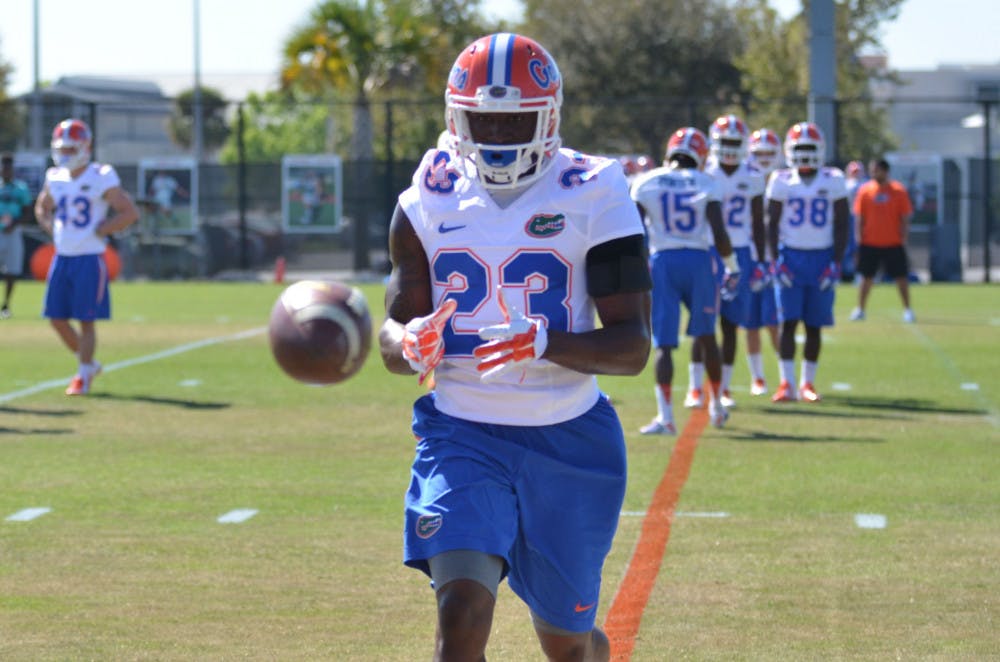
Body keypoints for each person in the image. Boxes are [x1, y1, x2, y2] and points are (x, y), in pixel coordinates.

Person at [377, 33, 651, 662]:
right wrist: (410, 340)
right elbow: (393, 334)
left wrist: (548, 342)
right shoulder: (425, 197)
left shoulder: (595, 190)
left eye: (514, 119)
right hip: (462, 431)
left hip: (570, 440)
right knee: (462, 612)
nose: (498, 134)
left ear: (548, 118)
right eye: (484, 118)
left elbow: (633, 346)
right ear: (456, 118)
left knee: (567, 643)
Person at [633, 126, 736, 434]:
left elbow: (634, 232)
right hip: (698, 261)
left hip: (662, 261)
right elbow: (719, 233)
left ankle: (666, 417)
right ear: (701, 155)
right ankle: (717, 405)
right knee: (707, 337)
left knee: (663, 343)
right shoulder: (707, 182)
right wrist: (732, 265)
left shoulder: (646, 181)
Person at [34, 118, 140, 395]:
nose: (65, 154)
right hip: (62, 256)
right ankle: (89, 362)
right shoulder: (54, 176)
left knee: (86, 319)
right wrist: (50, 226)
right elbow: (42, 207)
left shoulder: (101, 175)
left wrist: (104, 228)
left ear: (84, 148)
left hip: (89, 257)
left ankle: (83, 375)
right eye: (62, 149)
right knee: (56, 319)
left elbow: (129, 212)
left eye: (71, 149)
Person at [767, 122, 849, 403]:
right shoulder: (780, 180)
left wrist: (836, 262)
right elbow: (771, 224)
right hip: (790, 256)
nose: (804, 154)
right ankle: (786, 384)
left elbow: (842, 223)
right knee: (787, 323)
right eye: (799, 148)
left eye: (809, 148)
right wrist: (775, 260)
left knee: (814, 325)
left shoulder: (833, 178)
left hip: (821, 256)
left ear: (820, 150)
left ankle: (807, 384)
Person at [691, 114, 766, 410]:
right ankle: (696, 388)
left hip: (742, 251)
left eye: (736, 142)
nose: (731, 148)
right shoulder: (702, 172)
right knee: (702, 322)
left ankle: (723, 388)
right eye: (726, 142)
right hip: (707, 250)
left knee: (731, 324)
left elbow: (759, 223)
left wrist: (760, 261)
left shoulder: (755, 176)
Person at [850, 157, 915, 323]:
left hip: (893, 242)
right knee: (866, 278)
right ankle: (860, 309)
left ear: (885, 171)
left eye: (876, 169)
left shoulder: (898, 191)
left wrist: (904, 237)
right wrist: (859, 238)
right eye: (872, 170)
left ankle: (908, 310)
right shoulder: (865, 191)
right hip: (870, 242)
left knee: (901, 277)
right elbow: (859, 217)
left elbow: (905, 216)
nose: (873, 173)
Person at [743, 128, 783, 395]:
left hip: (776, 259)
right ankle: (757, 376)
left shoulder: (784, 180)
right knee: (751, 321)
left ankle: (785, 375)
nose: (765, 158)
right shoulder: (743, 179)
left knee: (774, 321)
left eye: (770, 153)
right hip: (749, 256)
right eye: (760, 153)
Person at [0, 153, 33, 318]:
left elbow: (28, 212)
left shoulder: (20, 188)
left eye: (8, 167)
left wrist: (14, 224)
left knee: (12, 270)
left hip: (13, 232)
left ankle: (5, 305)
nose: (5, 170)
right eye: (3, 167)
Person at [841, 160, 868, 283]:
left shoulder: (866, 185)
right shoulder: (845, 184)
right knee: (846, 247)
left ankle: (859, 273)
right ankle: (844, 273)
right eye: (854, 171)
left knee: (860, 248)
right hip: (848, 218)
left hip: (862, 218)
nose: (856, 174)